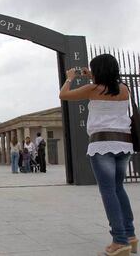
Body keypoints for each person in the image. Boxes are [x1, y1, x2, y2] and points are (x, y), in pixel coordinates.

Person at [59, 54, 137, 256]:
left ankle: (119, 241)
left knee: (108, 191)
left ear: (98, 71)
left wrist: (70, 77)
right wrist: (92, 74)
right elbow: (108, 85)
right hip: (124, 143)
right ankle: (130, 235)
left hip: (102, 143)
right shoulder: (124, 89)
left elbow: (64, 95)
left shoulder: (93, 89)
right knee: (119, 188)